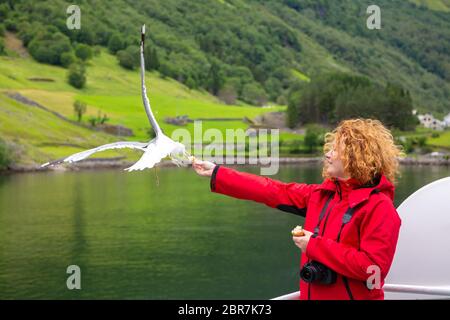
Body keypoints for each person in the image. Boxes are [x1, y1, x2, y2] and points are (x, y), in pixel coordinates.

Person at [192, 118, 402, 300]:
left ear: (356, 156)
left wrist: (314, 245)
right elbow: (273, 191)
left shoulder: (380, 208)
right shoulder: (322, 195)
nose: (327, 154)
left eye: (335, 149)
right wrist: (218, 173)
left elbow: (373, 269)